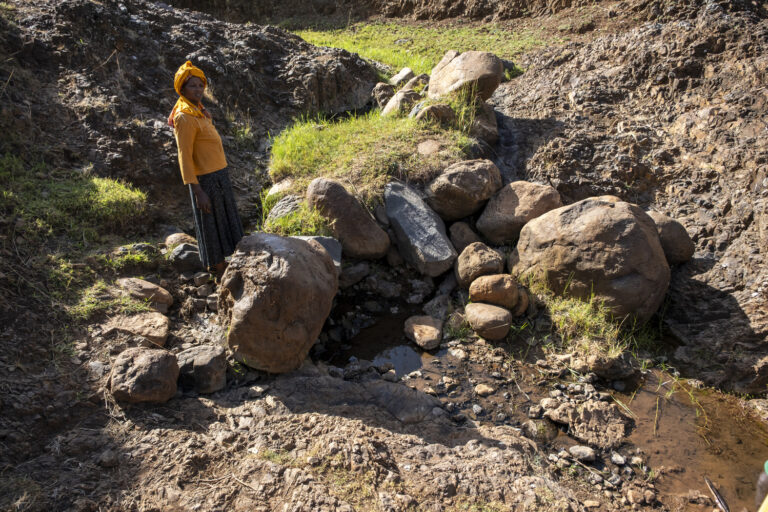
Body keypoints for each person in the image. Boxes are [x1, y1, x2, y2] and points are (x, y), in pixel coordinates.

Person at [168, 61, 243, 278]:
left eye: (201, 85)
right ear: (182, 90)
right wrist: (198, 191)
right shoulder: (184, 117)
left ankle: (226, 264)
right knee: (211, 224)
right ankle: (219, 270)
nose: (199, 90)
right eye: (193, 86)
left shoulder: (199, 112)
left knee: (224, 220)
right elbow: (184, 155)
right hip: (205, 181)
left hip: (219, 176)